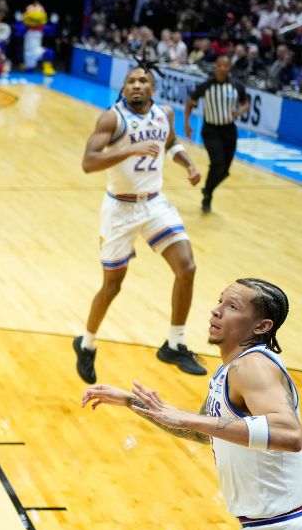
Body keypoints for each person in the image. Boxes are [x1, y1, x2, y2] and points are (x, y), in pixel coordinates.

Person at [81, 278, 298, 530]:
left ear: (262, 326)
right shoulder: (233, 369)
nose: (215, 310)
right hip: (290, 529)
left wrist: (188, 417)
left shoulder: (252, 368)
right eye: (219, 301)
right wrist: (132, 402)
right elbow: (203, 430)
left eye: (232, 306)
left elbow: (289, 435)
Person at [73, 60, 206, 384]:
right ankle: (87, 343)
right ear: (123, 88)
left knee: (186, 268)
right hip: (120, 210)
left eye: (142, 81)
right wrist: (130, 150)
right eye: (130, 81)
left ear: (152, 89)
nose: (136, 85)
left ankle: (175, 343)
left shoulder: (164, 114)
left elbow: (170, 143)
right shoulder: (112, 118)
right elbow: (89, 162)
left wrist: (187, 164)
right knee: (113, 285)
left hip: (154, 203)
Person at [184, 55, 249, 215]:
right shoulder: (206, 86)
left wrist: (240, 110)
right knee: (217, 163)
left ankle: (207, 188)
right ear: (215, 67)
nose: (223, 68)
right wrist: (186, 122)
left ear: (229, 68)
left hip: (229, 130)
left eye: (226, 66)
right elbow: (190, 102)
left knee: (225, 171)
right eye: (220, 65)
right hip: (211, 130)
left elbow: (246, 103)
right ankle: (208, 196)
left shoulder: (236, 86)